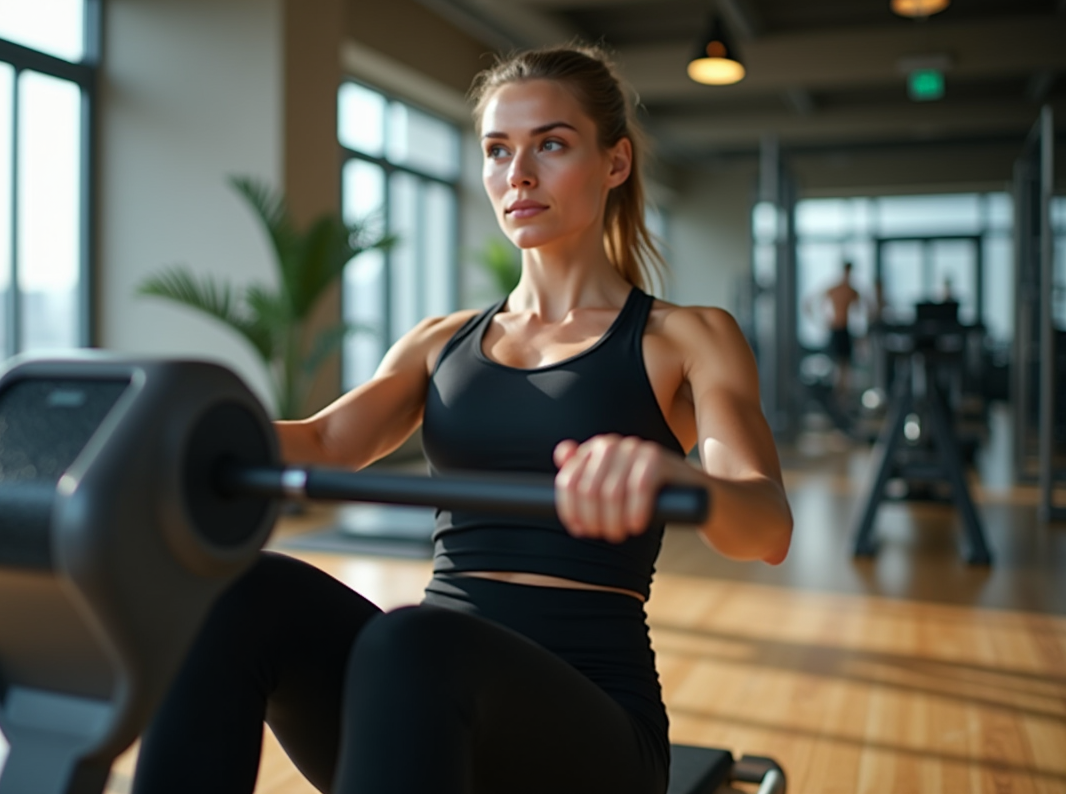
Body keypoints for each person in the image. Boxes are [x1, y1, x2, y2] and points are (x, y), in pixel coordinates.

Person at [132, 45, 792, 794]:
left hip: (591, 724)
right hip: (418, 688)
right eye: (497, 150)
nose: (519, 174)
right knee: (239, 594)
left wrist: (678, 476)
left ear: (615, 163)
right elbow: (323, 441)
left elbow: (766, 528)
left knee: (413, 639)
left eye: (550, 145)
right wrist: (155, 433)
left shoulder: (685, 337)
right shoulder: (439, 341)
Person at [807, 261, 862, 399]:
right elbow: (809, 303)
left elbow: (861, 311)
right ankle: (836, 396)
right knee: (835, 364)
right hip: (835, 329)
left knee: (845, 365)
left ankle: (843, 397)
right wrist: (822, 321)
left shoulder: (852, 291)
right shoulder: (835, 289)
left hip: (845, 329)